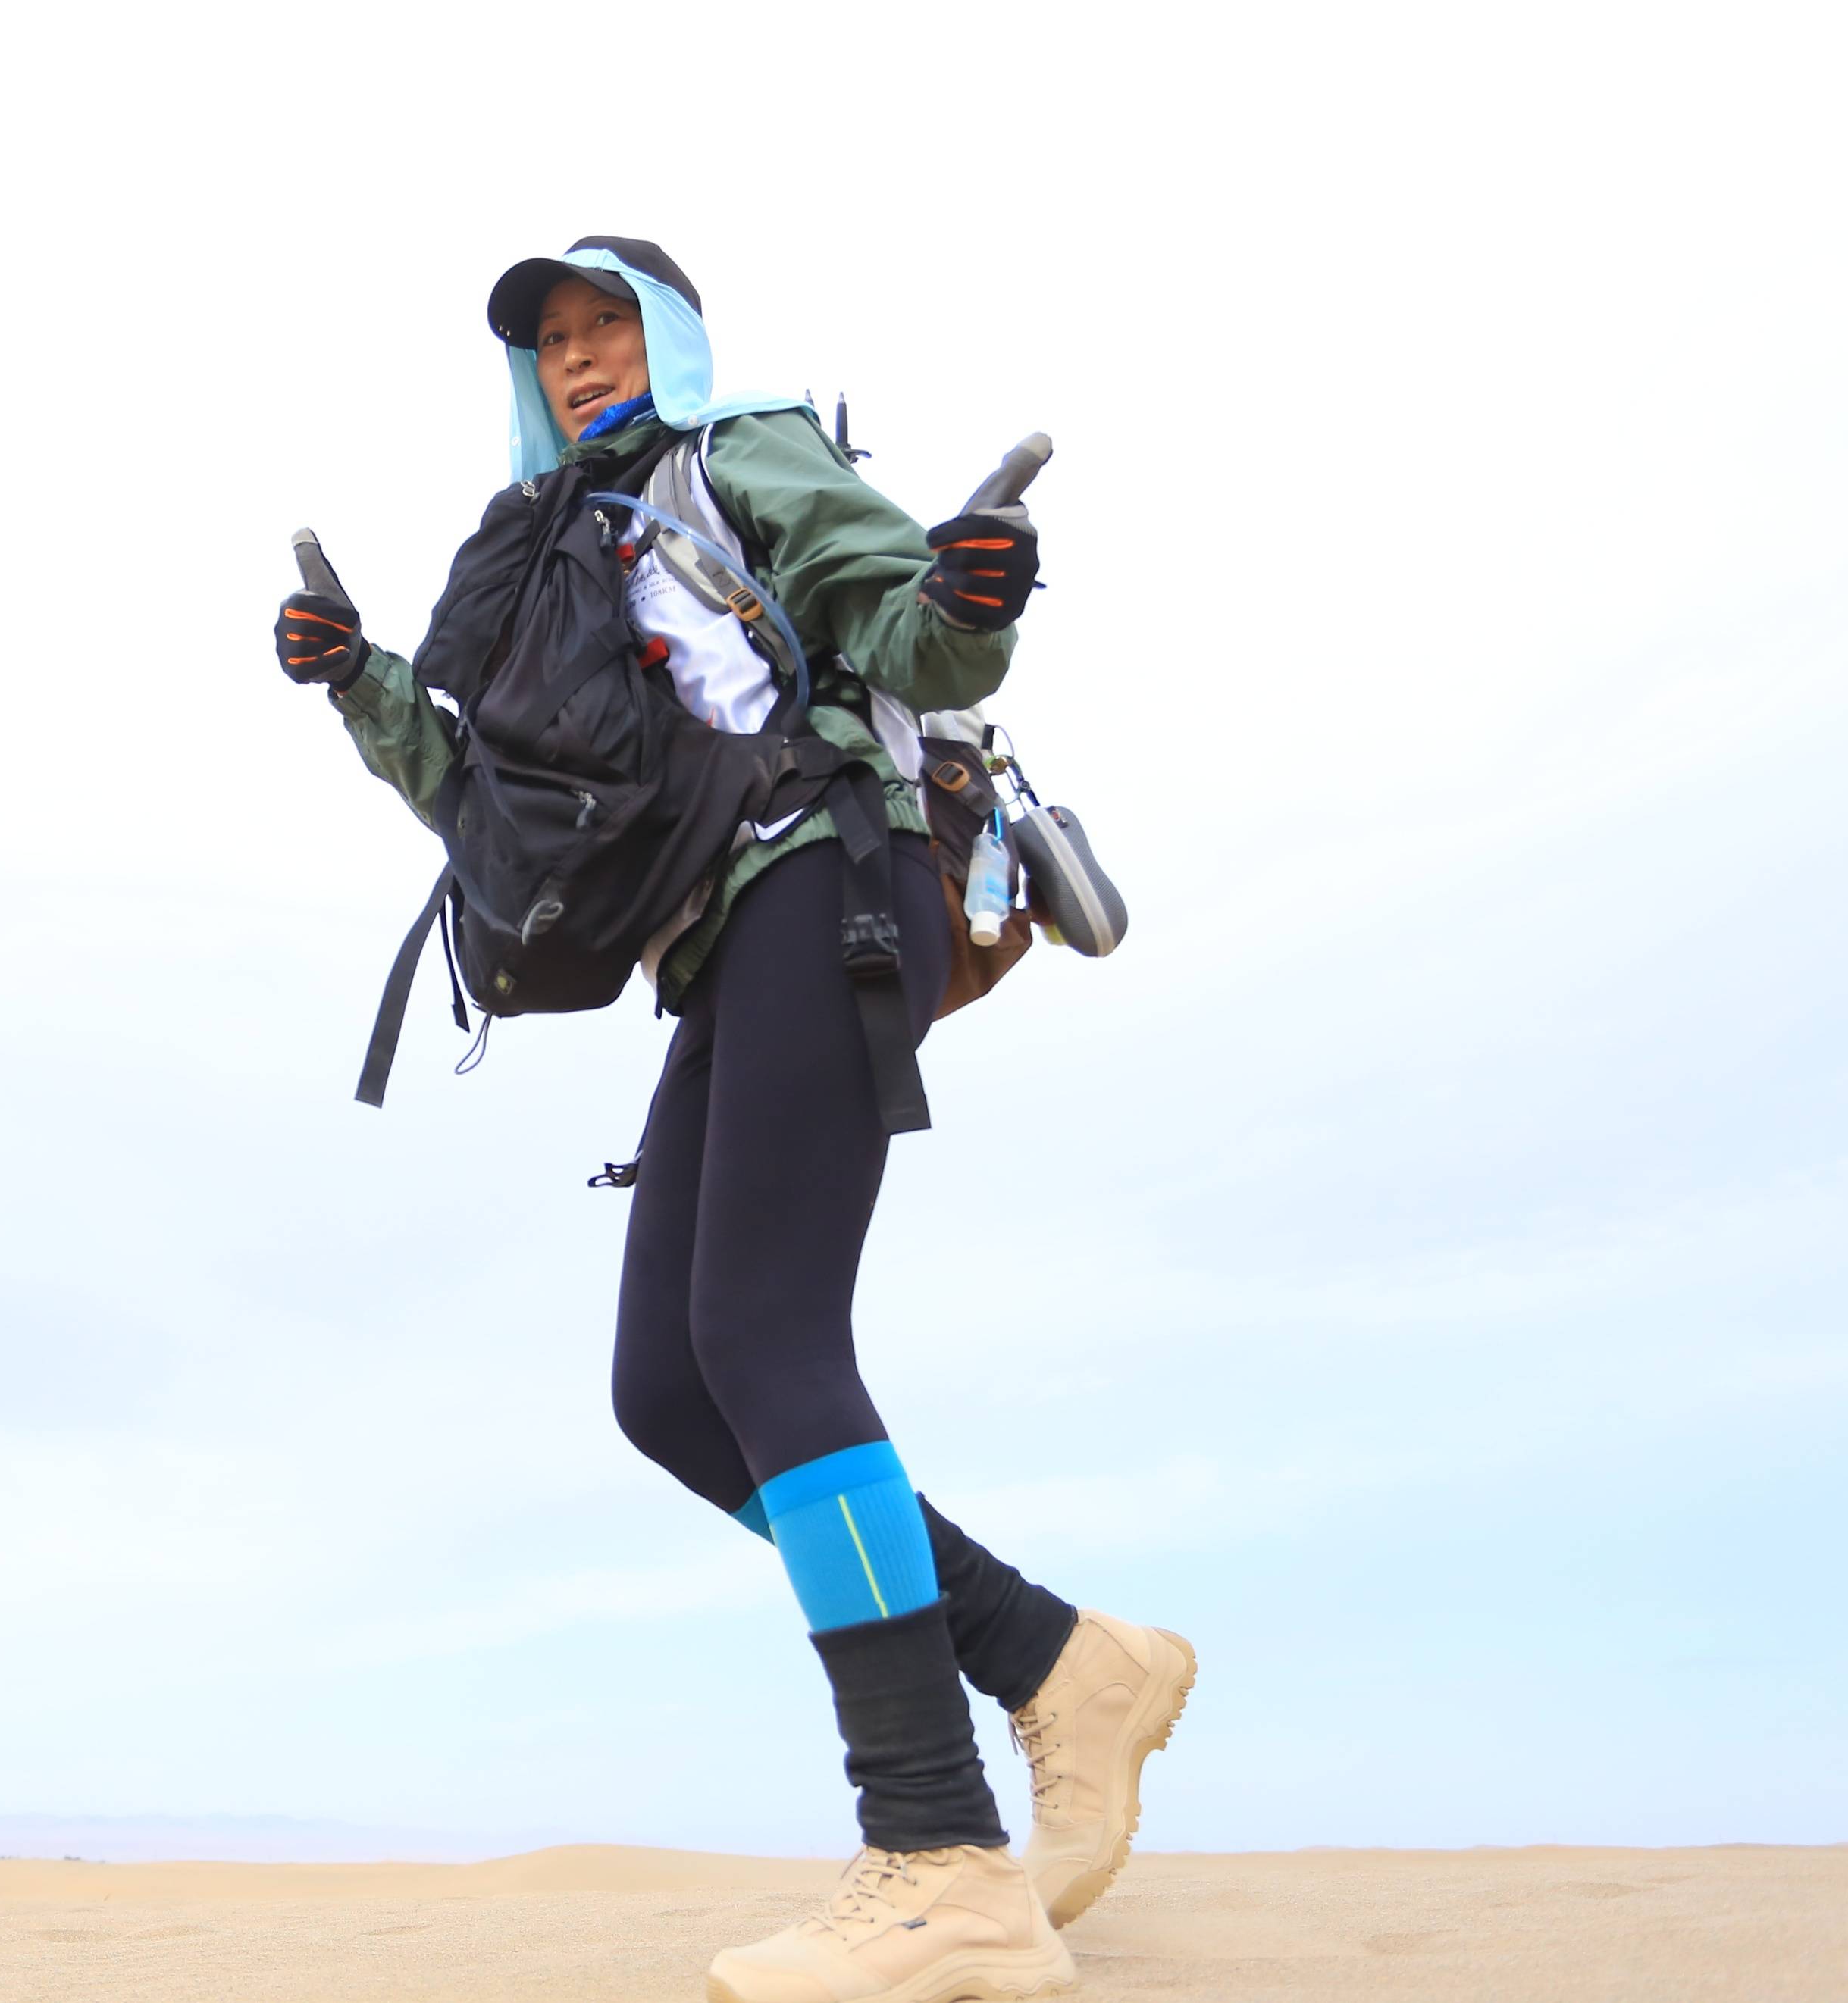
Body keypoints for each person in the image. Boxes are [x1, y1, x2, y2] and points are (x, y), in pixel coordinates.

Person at [275, 236, 1194, 2003]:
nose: (577, 357)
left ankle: (939, 1854)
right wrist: (363, 682)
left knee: (768, 1342)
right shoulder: (546, 562)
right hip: (721, 943)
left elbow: (896, 612)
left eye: (606, 324)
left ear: (674, 339)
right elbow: (501, 810)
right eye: (550, 340)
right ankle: (1058, 1660)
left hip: (826, 877)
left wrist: (972, 600)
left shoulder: (735, 452)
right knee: (673, 1389)